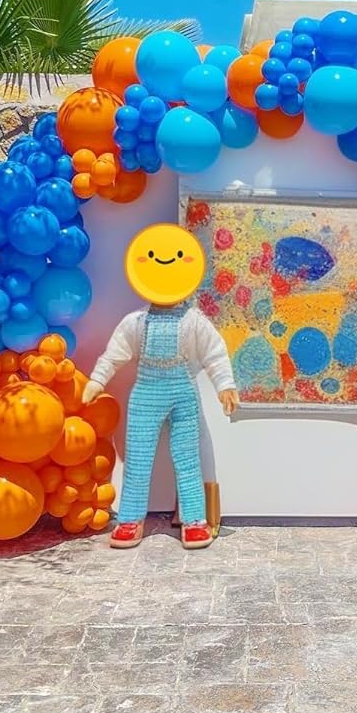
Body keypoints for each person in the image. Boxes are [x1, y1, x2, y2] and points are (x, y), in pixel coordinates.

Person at [83, 223, 239, 549]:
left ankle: (194, 521)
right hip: (145, 394)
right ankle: (130, 519)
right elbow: (115, 354)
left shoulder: (194, 321)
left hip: (183, 394)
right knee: (138, 458)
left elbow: (214, 353)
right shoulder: (135, 322)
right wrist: (97, 379)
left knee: (187, 458)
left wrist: (225, 385)